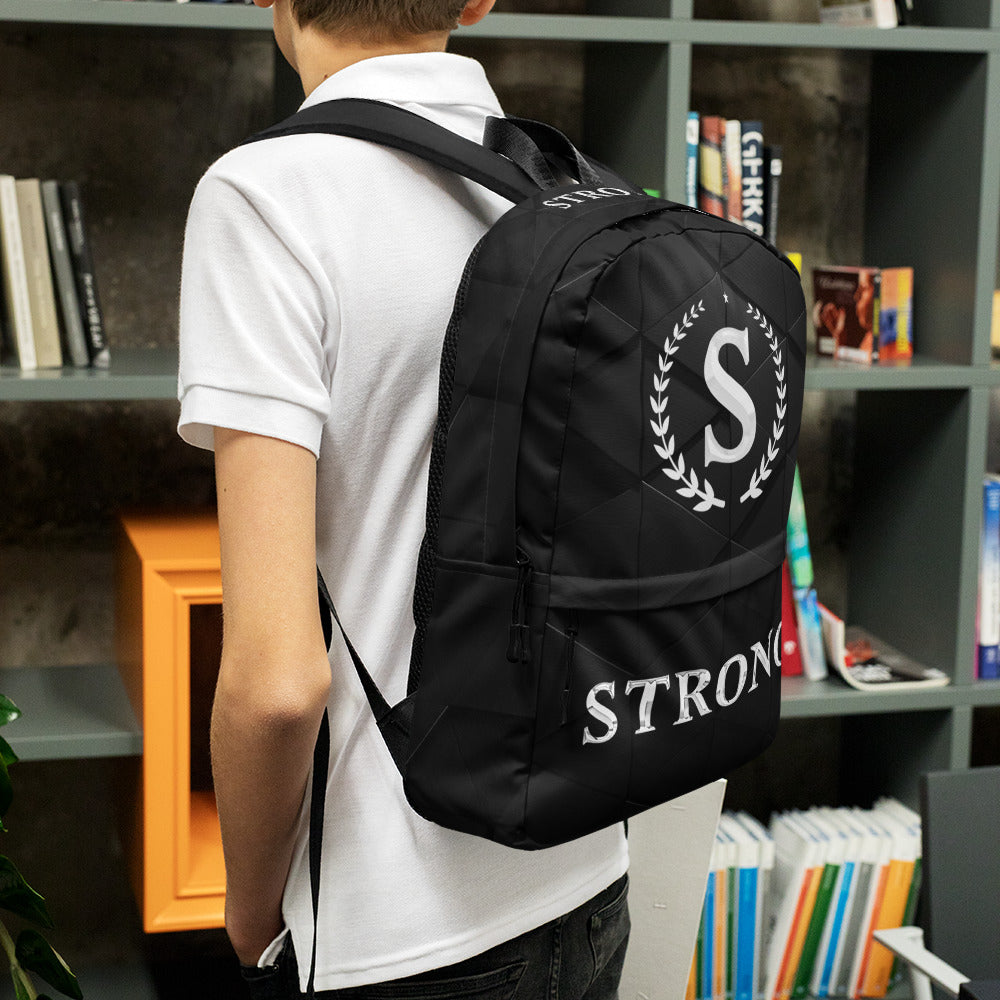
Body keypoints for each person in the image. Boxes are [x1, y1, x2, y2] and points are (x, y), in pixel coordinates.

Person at [176, 0, 630, 996]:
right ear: (478, 0)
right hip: (589, 870)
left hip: (400, 929)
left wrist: (250, 915)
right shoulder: (575, 191)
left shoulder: (265, 197)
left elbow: (276, 683)